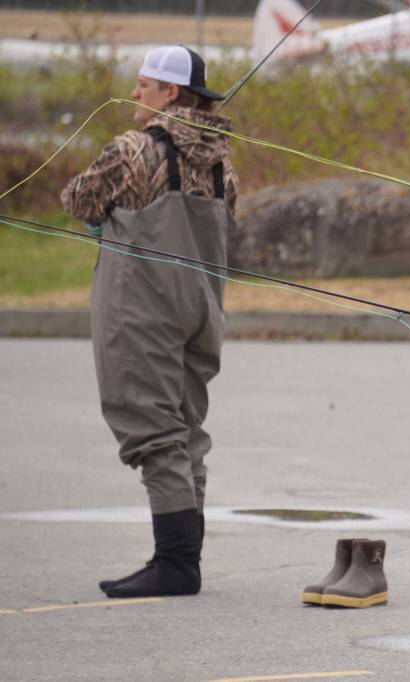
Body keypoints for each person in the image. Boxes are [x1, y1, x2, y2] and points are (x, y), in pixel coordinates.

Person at [61, 45, 238, 599]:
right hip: (202, 308)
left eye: (144, 84)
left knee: (152, 428)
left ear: (172, 94)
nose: (134, 93)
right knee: (187, 429)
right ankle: (184, 559)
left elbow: (78, 200)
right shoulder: (220, 160)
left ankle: (176, 565)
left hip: (144, 306)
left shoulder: (133, 149)